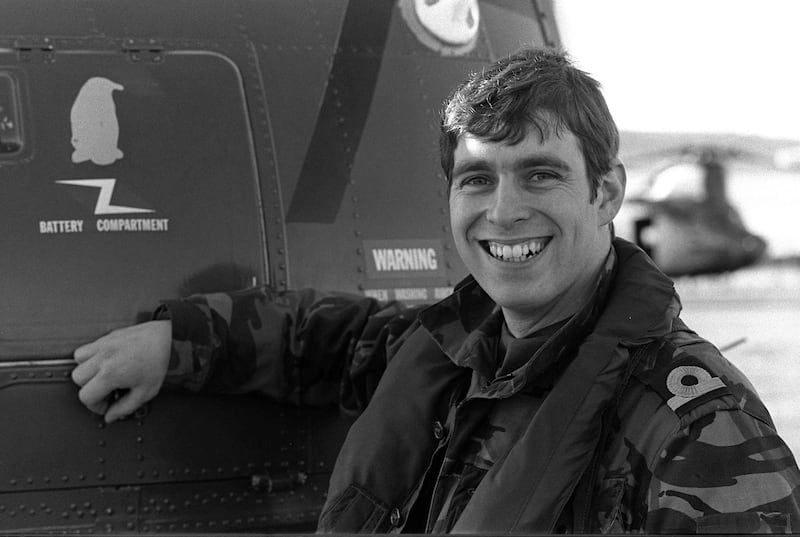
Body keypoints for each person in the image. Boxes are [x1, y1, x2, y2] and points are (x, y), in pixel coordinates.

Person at [71, 47, 800, 533]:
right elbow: (320, 339)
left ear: (607, 191)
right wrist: (181, 342)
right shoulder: (460, 352)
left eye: (540, 173)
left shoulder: (700, 431)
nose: (504, 210)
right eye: (476, 179)